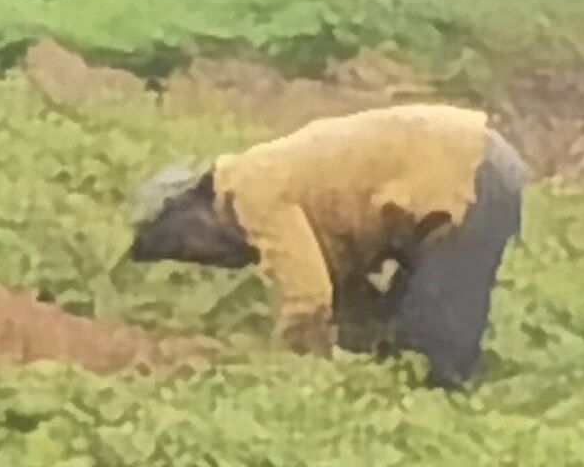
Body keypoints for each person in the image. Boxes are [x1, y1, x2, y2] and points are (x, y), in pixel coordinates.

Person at [127, 102, 527, 390]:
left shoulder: (252, 192)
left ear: (197, 210)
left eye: (186, 244)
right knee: (392, 340)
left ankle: (447, 438)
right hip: (467, 161)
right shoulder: (261, 174)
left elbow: (309, 298)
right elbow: (343, 286)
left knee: (431, 355)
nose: (202, 256)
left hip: (466, 169)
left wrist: (293, 371)